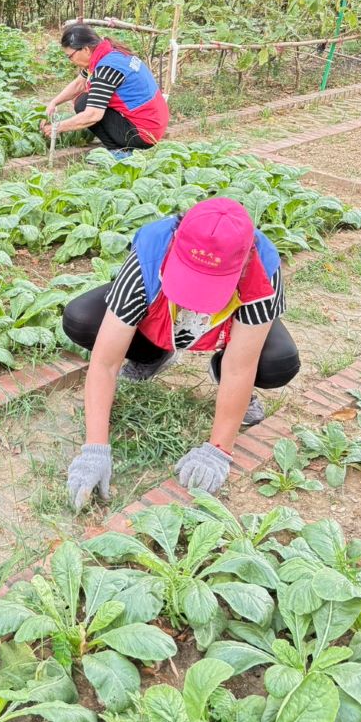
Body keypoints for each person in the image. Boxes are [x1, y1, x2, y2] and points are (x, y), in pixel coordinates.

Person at [64, 197, 300, 509]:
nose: (196, 299)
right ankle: (153, 355)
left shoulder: (263, 269)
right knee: (82, 319)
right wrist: (94, 448)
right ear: (176, 241)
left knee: (276, 362)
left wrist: (219, 450)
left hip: (230, 335)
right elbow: (106, 362)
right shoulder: (149, 253)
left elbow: (240, 368)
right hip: (158, 321)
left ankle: (222, 376)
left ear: (244, 262)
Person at [42, 25, 169, 153]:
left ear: (85, 49)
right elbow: (79, 84)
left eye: (70, 56)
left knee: (83, 104)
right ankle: (120, 144)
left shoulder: (105, 70)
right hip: (155, 122)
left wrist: (57, 127)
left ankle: (119, 152)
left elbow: (92, 115)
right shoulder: (109, 52)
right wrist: (54, 102)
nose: (71, 60)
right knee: (84, 99)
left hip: (144, 134)